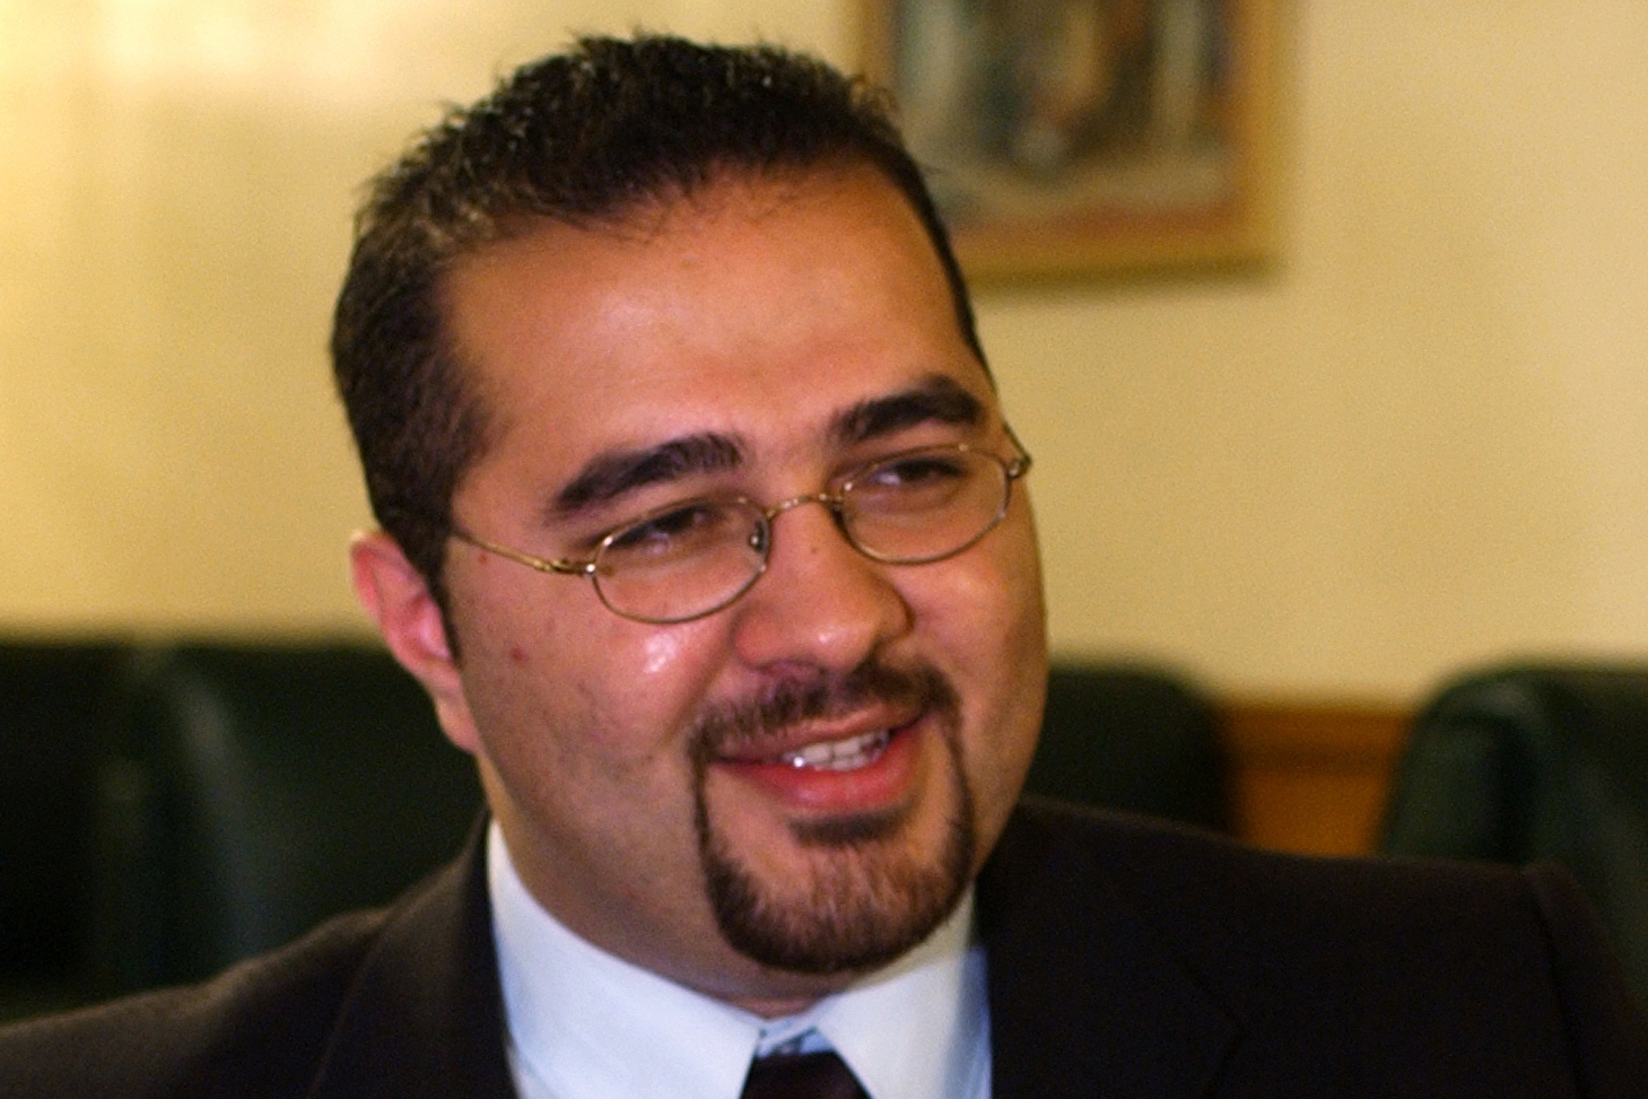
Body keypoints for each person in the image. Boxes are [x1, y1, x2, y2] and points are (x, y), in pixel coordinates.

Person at [2, 32, 1645, 1098]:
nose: (841, 614)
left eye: (911, 471)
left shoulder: (1479, 1019)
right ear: (426, 630)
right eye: (661, 525)